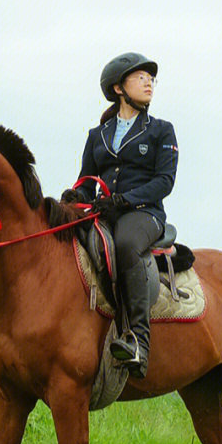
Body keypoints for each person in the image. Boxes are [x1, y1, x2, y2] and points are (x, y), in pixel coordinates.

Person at [72, 53, 178, 378]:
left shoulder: (161, 131)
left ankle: (138, 344)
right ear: (119, 87)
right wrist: (73, 201)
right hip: (105, 211)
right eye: (141, 77)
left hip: (145, 215)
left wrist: (124, 200)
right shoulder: (97, 135)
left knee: (126, 243)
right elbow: (85, 182)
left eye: (151, 78)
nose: (149, 82)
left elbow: (164, 182)